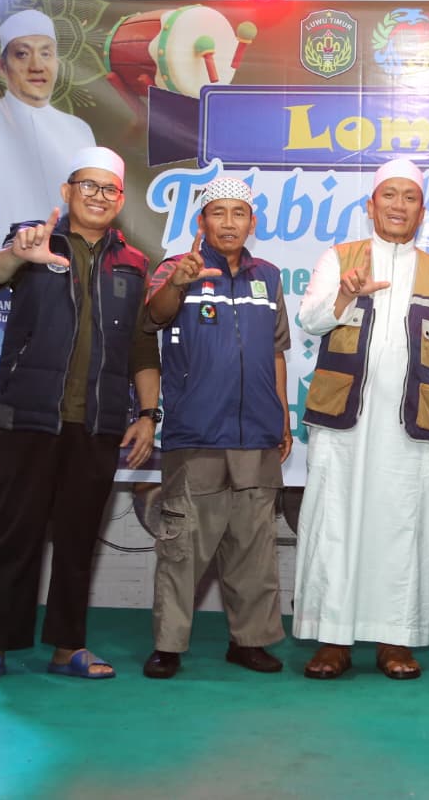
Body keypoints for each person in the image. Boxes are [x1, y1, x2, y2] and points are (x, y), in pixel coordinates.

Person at [0, 146, 159, 685]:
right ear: (67, 192)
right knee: (15, 532)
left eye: (109, 188)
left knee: (78, 538)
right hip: (30, 414)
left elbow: (142, 347)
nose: (98, 196)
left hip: (97, 423)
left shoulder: (135, 263)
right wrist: (21, 254)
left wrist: (148, 413)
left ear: (121, 200)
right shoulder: (33, 239)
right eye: (87, 185)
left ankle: (69, 646)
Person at [293, 158, 429, 681]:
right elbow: (309, 320)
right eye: (388, 195)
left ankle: (397, 638)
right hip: (342, 422)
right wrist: (346, 293)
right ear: (371, 206)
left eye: (409, 197)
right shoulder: (340, 258)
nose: (398, 205)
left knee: (403, 529)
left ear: (422, 210)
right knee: (335, 525)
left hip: (412, 425)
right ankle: (333, 639)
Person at [140, 177, 291, 680]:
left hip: (257, 435)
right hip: (197, 434)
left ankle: (250, 641)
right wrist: (179, 283)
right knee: (182, 547)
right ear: (201, 221)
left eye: (238, 213)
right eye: (218, 213)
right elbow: (153, 317)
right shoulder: (176, 269)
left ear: (252, 222)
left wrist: (282, 414)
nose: (229, 222)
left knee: (254, 547)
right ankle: (168, 645)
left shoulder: (268, 277)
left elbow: (276, 351)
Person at [0, 9, 97, 286]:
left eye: (46, 53)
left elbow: (85, 213)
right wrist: (20, 258)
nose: (36, 66)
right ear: (1, 65)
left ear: (57, 62)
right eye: (22, 54)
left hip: (62, 280)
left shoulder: (79, 131)